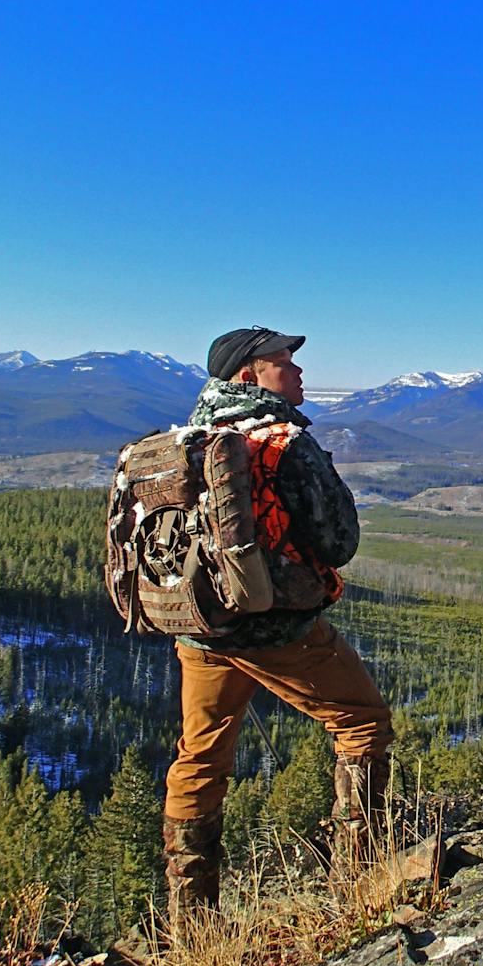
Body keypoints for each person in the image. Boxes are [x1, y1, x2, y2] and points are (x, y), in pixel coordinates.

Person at [162, 326, 394, 926]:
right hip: (275, 630)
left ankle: (191, 923)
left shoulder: (184, 438)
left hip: (200, 629)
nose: (296, 374)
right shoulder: (283, 441)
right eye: (283, 363)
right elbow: (337, 542)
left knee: (200, 759)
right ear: (248, 375)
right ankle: (358, 883)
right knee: (363, 722)